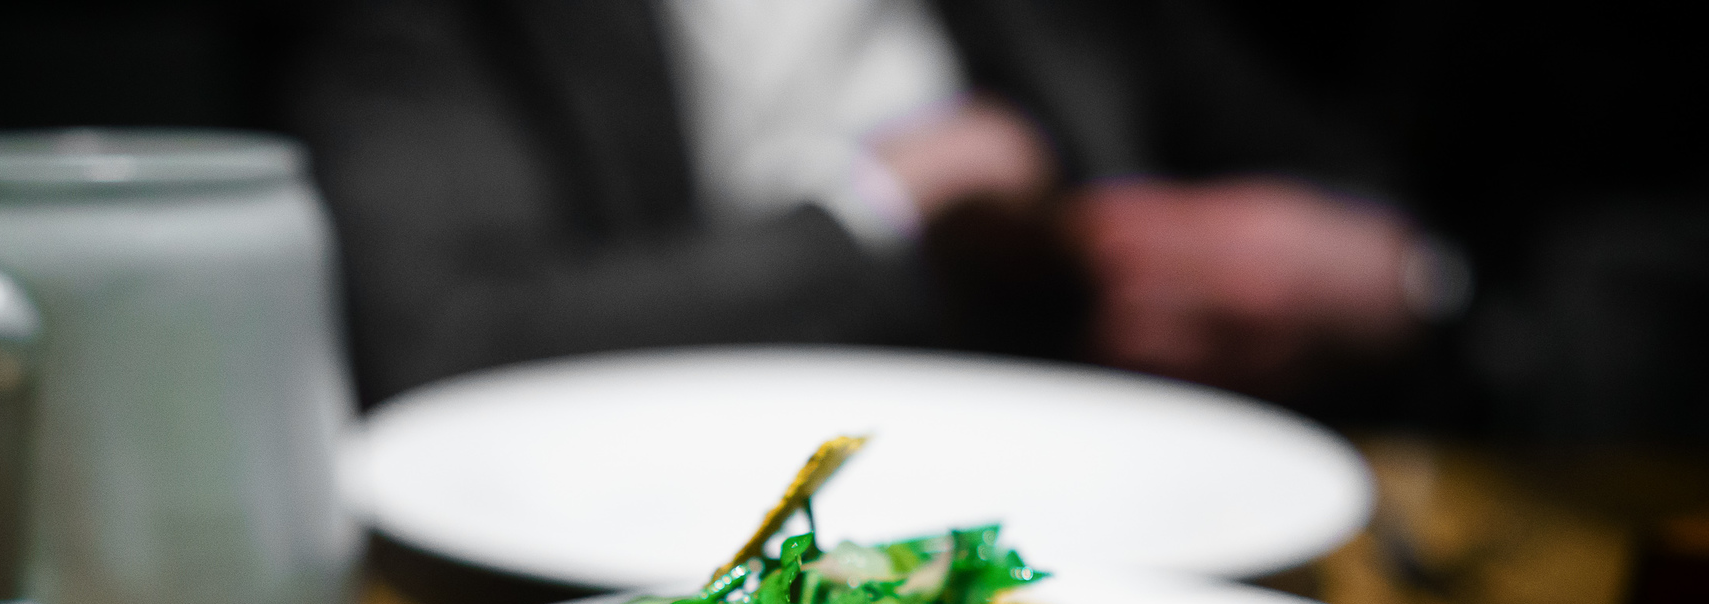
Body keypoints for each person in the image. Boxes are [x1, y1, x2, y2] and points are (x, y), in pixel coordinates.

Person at [280, 0, 1460, 408]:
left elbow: (1364, 206)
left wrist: (1401, 281)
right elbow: (446, 337)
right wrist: (878, 202)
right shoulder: (457, 32)